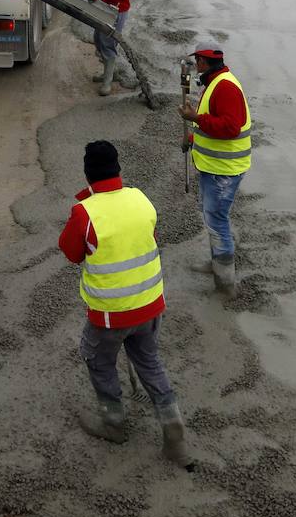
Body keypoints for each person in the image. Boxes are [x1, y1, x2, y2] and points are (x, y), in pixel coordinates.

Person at [58, 140, 191, 465]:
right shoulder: (140, 199)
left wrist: (85, 203)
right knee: (149, 361)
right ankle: (172, 423)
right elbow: (148, 239)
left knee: (99, 361)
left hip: (109, 317)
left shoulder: (85, 213)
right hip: (149, 305)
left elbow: (72, 253)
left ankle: (114, 424)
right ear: (118, 169)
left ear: (88, 174)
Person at [179, 47, 251, 297]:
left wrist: (196, 118)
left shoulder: (225, 87)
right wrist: (193, 136)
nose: (194, 65)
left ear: (202, 61)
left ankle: (226, 282)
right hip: (215, 166)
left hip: (225, 170)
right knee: (212, 217)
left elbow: (230, 127)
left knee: (217, 220)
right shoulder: (215, 82)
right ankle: (217, 263)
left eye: (196, 61)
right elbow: (215, 122)